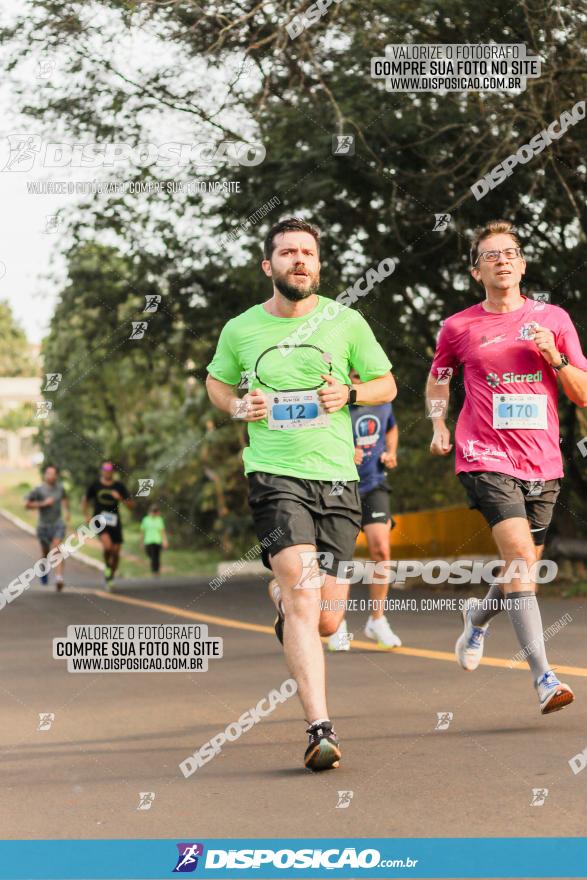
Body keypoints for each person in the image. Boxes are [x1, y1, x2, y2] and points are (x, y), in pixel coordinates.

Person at [206, 217, 396, 770]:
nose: (299, 261)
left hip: (337, 478)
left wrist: (352, 391)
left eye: (308, 253)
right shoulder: (241, 329)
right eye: (288, 253)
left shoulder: (347, 321)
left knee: (328, 619)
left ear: (318, 263)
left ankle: (285, 599)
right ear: (269, 266)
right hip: (272, 475)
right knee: (304, 595)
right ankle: (319, 729)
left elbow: (385, 381)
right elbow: (217, 381)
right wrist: (239, 405)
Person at [426, 219, 587, 714]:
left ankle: (478, 615)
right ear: (477, 271)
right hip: (484, 454)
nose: (502, 260)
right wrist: (438, 424)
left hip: (542, 458)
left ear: (523, 264)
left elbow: (581, 393)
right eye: (490, 255)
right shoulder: (458, 327)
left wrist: (554, 357)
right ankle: (544, 676)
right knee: (519, 553)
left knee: (523, 569)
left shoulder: (553, 319)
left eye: (510, 252)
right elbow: (438, 380)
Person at [328, 367, 402, 651]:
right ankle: (337, 623)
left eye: (363, 377)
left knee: (381, 550)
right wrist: (343, 452)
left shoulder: (382, 400)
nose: (358, 382)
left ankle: (377, 619)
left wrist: (391, 452)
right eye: (353, 376)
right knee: (341, 557)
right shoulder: (335, 404)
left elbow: (391, 428)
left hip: (374, 483)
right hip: (340, 485)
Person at [82, 460, 133, 588]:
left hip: (115, 522)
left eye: (109, 471)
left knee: (116, 553)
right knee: (108, 547)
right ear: (101, 471)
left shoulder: (119, 486)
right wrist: (87, 516)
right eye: (105, 470)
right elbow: (85, 500)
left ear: (113, 472)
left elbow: (131, 505)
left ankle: (110, 574)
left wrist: (119, 498)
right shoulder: (95, 485)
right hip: (100, 521)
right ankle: (107, 567)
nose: (107, 472)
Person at [25, 463, 70, 591]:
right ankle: (44, 570)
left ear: (56, 476)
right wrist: (43, 503)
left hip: (57, 524)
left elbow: (65, 498)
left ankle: (59, 577)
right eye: (48, 473)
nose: (51, 476)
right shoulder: (38, 489)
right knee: (45, 552)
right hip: (43, 526)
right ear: (45, 475)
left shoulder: (60, 488)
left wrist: (67, 512)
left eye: (53, 474)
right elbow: (27, 505)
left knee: (57, 549)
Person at [140, 504, 168, 576]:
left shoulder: (159, 519)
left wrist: (165, 541)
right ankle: (155, 570)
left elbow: (162, 531)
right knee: (151, 555)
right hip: (148, 541)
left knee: (156, 556)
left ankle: (155, 571)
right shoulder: (145, 519)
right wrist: (142, 542)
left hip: (157, 541)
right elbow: (143, 531)